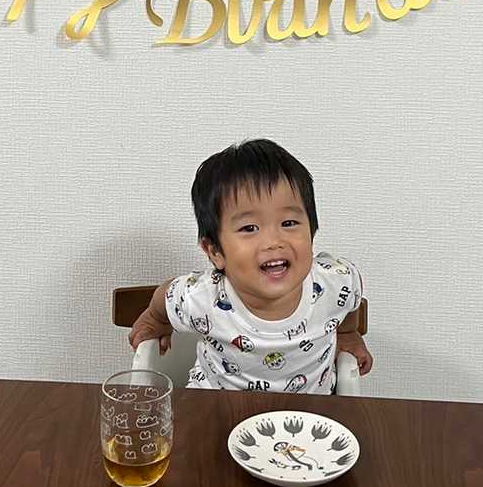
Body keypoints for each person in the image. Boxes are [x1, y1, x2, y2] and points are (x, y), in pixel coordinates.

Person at [129, 139, 372, 392]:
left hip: (307, 410)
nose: (273, 241)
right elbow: (167, 296)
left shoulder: (334, 282)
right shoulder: (203, 297)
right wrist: (155, 320)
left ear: (311, 231)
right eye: (249, 228)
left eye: (288, 223)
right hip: (216, 406)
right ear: (215, 251)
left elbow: (350, 297)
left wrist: (347, 334)